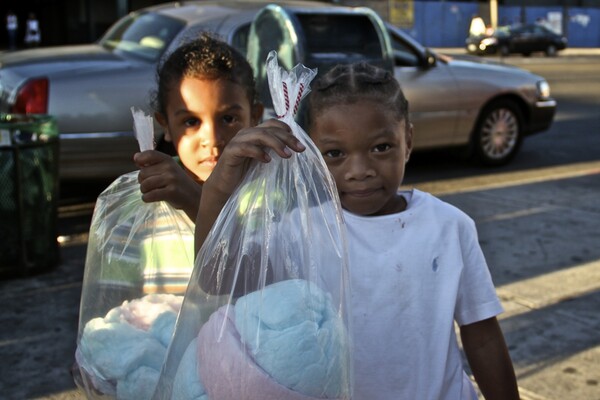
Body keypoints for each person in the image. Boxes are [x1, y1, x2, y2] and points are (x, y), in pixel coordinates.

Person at [195, 62, 520, 399]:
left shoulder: (450, 227)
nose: (360, 171)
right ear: (311, 156)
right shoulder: (300, 232)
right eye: (335, 154)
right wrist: (218, 187)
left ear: (407, 140)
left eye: (381, 148)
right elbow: (214, 277)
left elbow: (482, 337)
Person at [133, 32, 265, 221]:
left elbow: (246, 249)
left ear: (254, 118)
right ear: (166, 126)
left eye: (228, 119)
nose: (212, 139)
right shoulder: (150, 199)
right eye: (191, 122)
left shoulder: (272, 194)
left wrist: (194, 201)